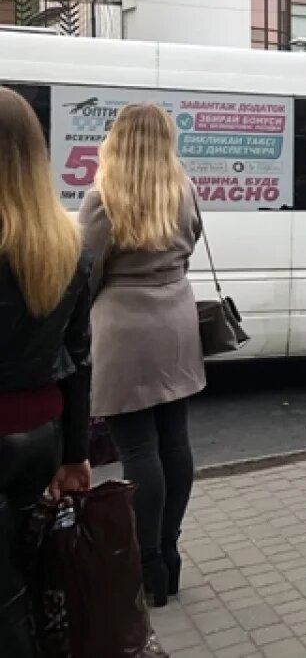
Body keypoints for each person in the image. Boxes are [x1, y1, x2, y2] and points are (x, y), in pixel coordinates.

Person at [79, 102, 206, 607]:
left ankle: (146, 562)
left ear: (117, 140)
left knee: (137, 451)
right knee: (175, 442)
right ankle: (170, 554)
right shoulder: (184, 189)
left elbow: (85, 273)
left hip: (122, 328)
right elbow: (191, 243)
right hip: (176, 321)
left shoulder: (103, 198)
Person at [0, 87, 92, 657]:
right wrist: (76, 452)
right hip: (41, 435)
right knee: (26, 573)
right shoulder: (68, 243)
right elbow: (79, 356)